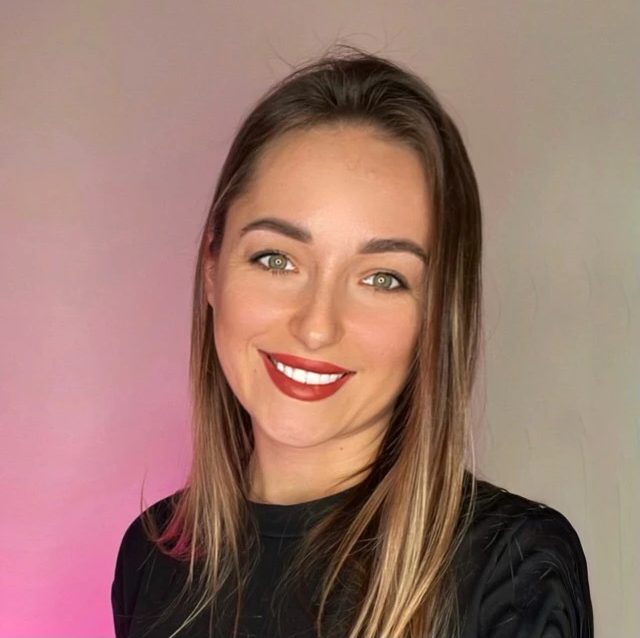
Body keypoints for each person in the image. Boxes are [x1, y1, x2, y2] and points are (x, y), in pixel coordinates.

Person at [110, 46, 593, 638]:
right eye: (276, 259)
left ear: (437, 315)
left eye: (382, 278)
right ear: (212, 267)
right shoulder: (151, 558)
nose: (317, 326)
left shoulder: (513, 571)